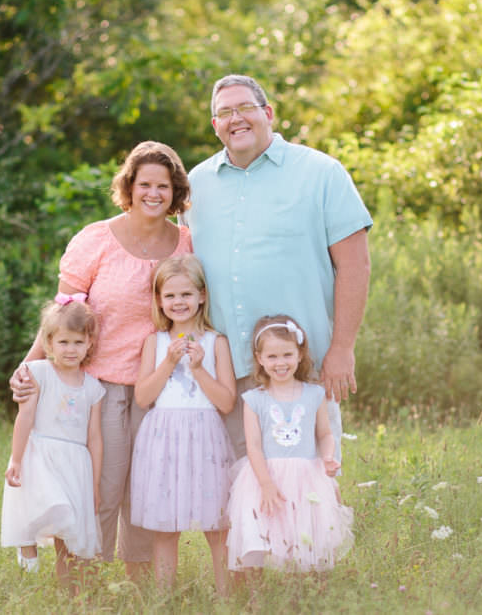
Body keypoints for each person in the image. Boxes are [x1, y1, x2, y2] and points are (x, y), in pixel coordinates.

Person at [10, 141, 193, 578]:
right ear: (128, 187)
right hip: (99, 386)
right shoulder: (95, 240)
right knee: (100, 487)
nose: (153, 193)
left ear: (176, 191)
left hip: (163, 385)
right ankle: (80, 581)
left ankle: (140, 584)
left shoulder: (187, 242)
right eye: (144, 184)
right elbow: (63, 313)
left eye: (163, 186)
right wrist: (29, 366)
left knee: (148, 488)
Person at [184, 74, 373, 461]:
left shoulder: (321, 172)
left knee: (309, 486)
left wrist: (342, 348)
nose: (235, 118)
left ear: (268, 113)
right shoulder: (195, 185)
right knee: (235, 493)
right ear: (214, 125)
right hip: (225, 372)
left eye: (245, 108)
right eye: (224, 112)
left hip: (299, 369)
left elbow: (356, 265)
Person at [130, 254, 237, 593]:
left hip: (205, 437)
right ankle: (164, 598)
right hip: (163, 438)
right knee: (165, 527)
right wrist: (168, 363)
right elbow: (143, 398)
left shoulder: (216, 342)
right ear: (160, 301)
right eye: (171, 296)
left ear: (202, 296)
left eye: (187, 294)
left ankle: (225, 598)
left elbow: (226, 402)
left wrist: (199, 368)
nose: (179, 302)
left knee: (218, 526)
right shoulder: (155, 342)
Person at [227, 315, 353, 573]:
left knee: (307, 540)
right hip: (266, 477)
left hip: (306, 477)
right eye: (272, 357)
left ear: (299, 355)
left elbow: (325, 434)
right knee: (263, 535)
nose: (280, 363)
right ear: (260, 359)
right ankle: (260, 600)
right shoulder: (254, 399)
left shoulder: (314, 394)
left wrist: (328, 456)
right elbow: (253, 446)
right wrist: (265, 484)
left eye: (287, 355)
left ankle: (305, 597)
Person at [0, 295, 105, 595]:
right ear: (48, 342)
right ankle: (27, 578)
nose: (70, 350)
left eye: (77, 342)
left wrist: (95, 485)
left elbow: (94, 439)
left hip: (75, 464)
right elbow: (26, 417)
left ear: (89, 344)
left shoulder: (93, 388)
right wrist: (16, 459)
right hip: (40, 457)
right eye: (63, 342)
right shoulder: (39, 373)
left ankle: (66, 592)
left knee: (66, 532)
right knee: (36, 513)